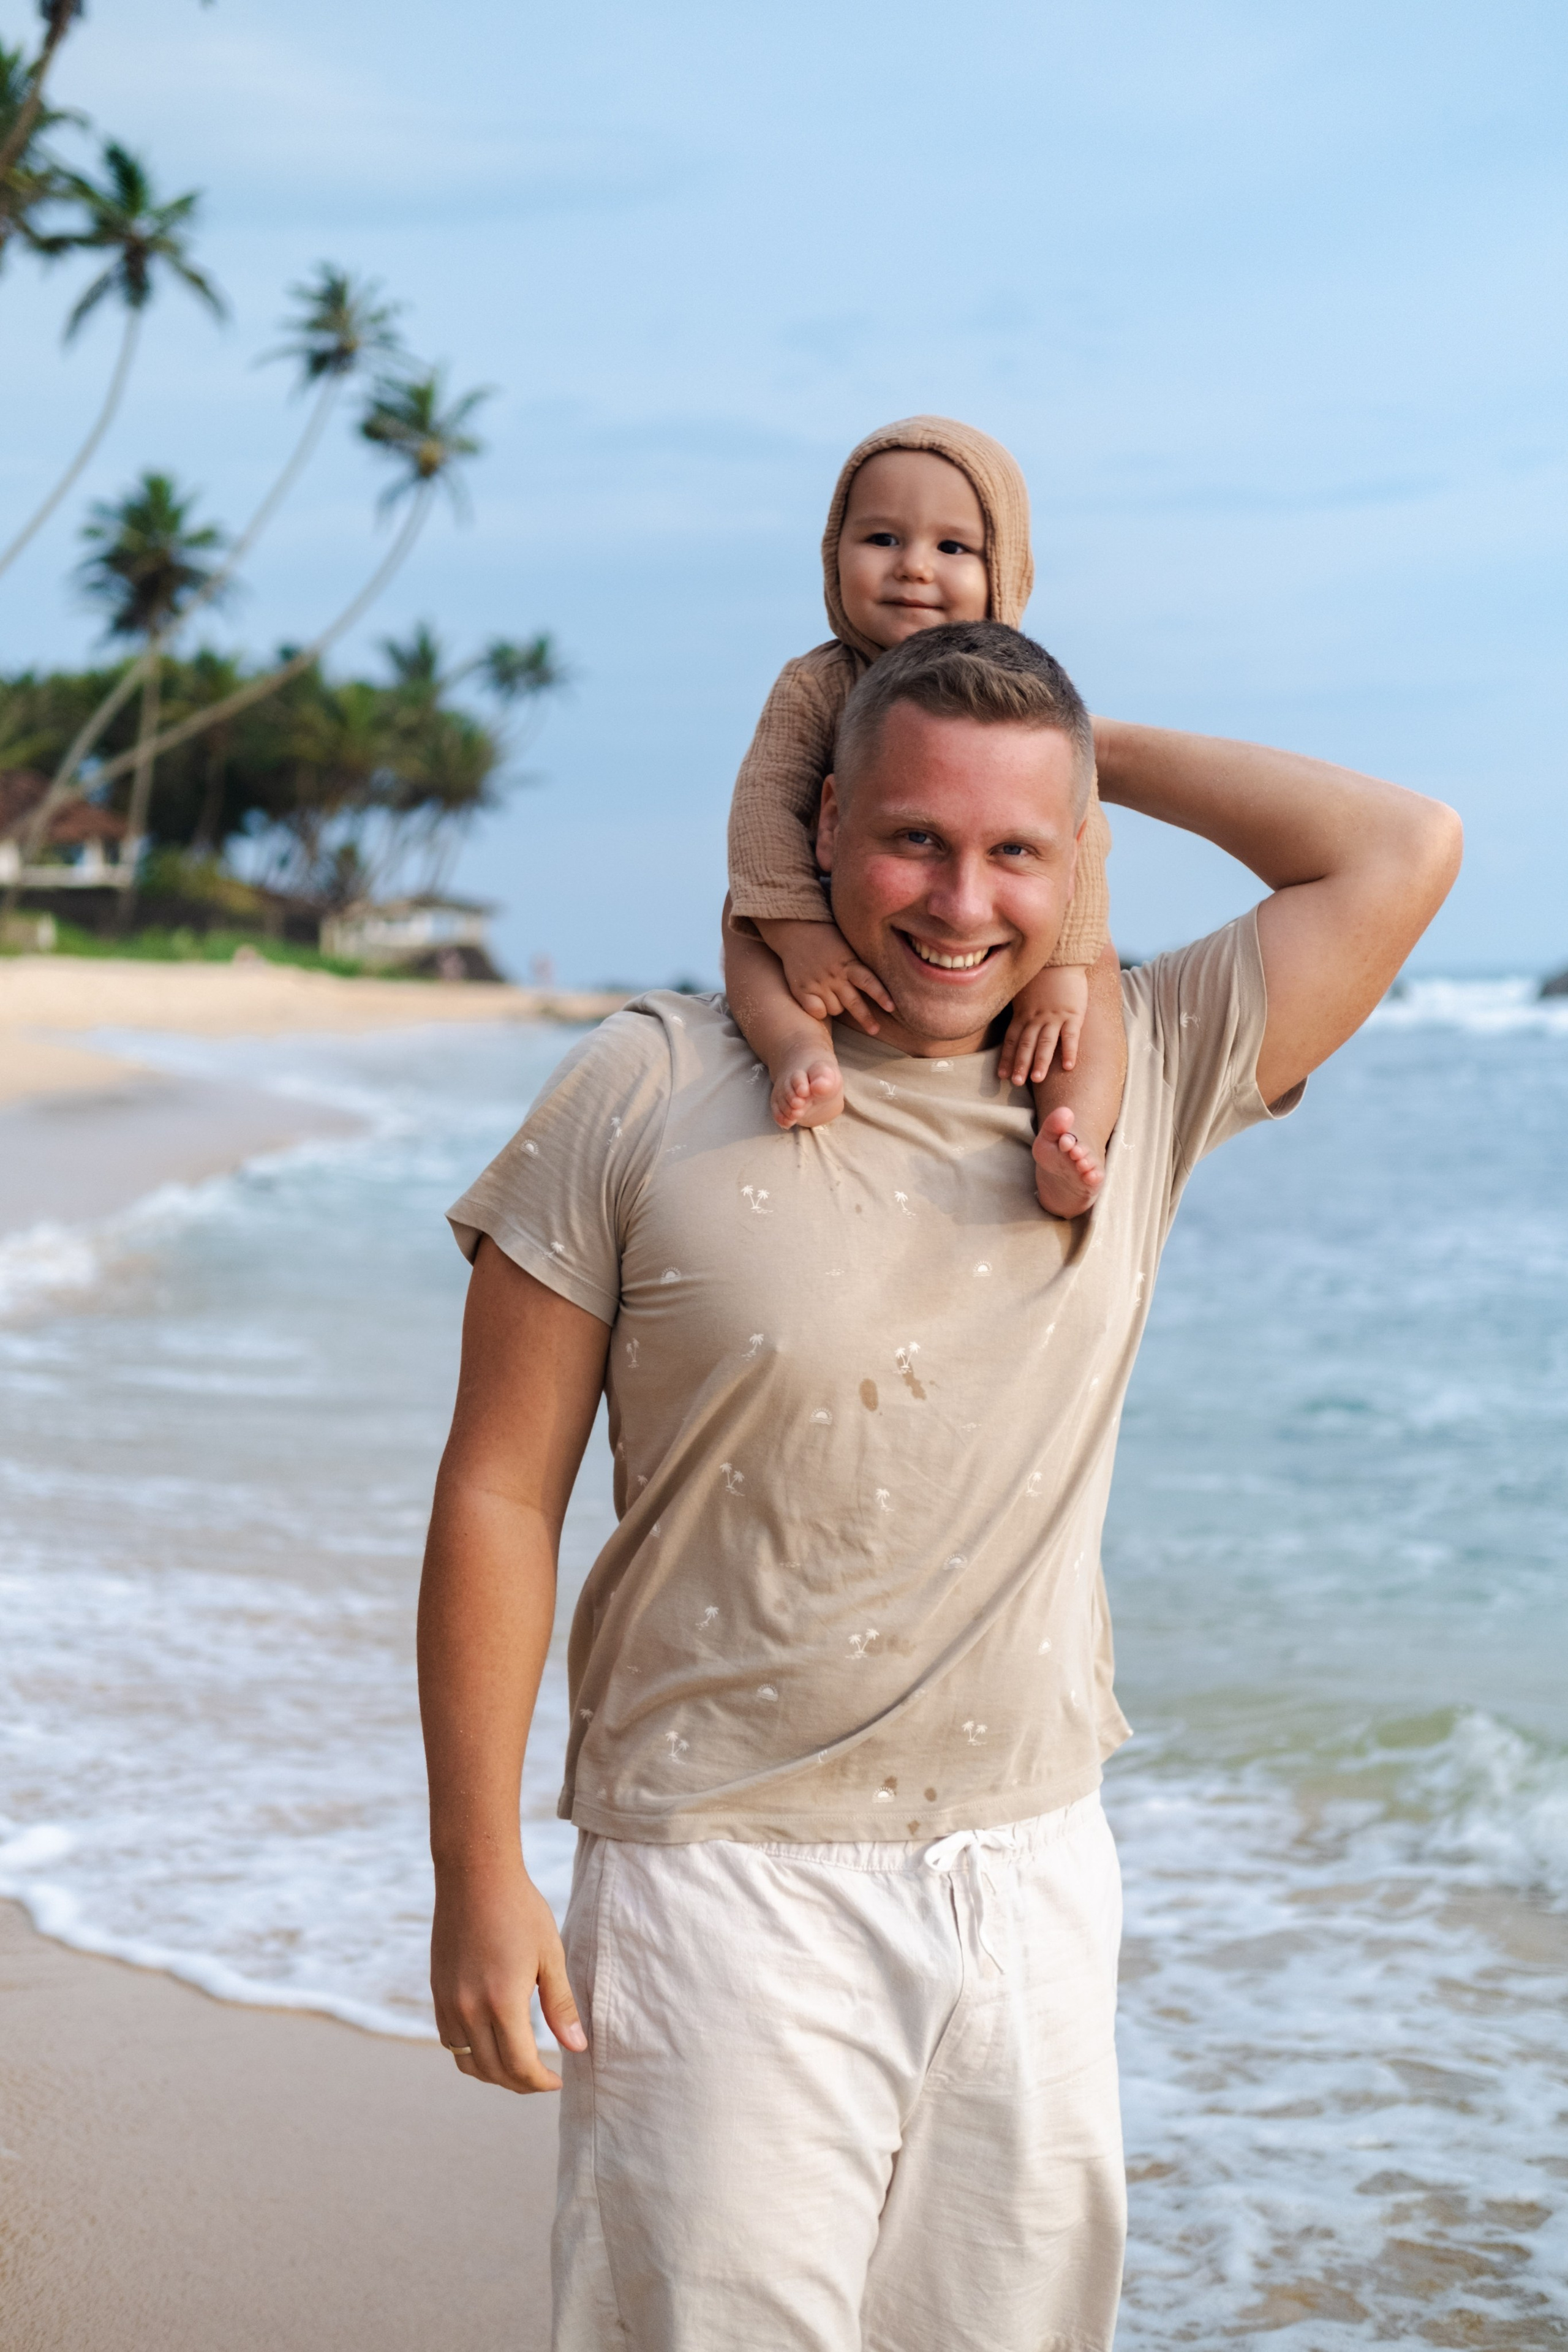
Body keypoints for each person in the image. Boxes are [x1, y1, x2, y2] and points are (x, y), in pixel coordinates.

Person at [418, 622, 1460, 2352]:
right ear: (823, 824)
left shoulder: (1134, 1072)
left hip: (1032, 1884)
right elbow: (496, 1497)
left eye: (1016, 850)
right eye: (914, 835)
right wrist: (476, 1870)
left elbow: (1399, 848)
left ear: (1079, 860)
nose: (962, 901)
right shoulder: (645, 1085)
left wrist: (1068, 736)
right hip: (718, 1887)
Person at [723, 415, 1123, 1218]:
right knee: (744, 920)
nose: (913, 567)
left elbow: (1082, 840)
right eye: (882, 539)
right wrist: (799, 933)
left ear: (1004, 571)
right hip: (829, 910)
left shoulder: (1027, 704)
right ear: (834, 553)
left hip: (1009, 954)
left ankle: (1073, 1133)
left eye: (952, 548)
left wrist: (1061, 967)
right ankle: (801, 1056)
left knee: (1094, 984)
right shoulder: (816, 685)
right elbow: (764, 809)